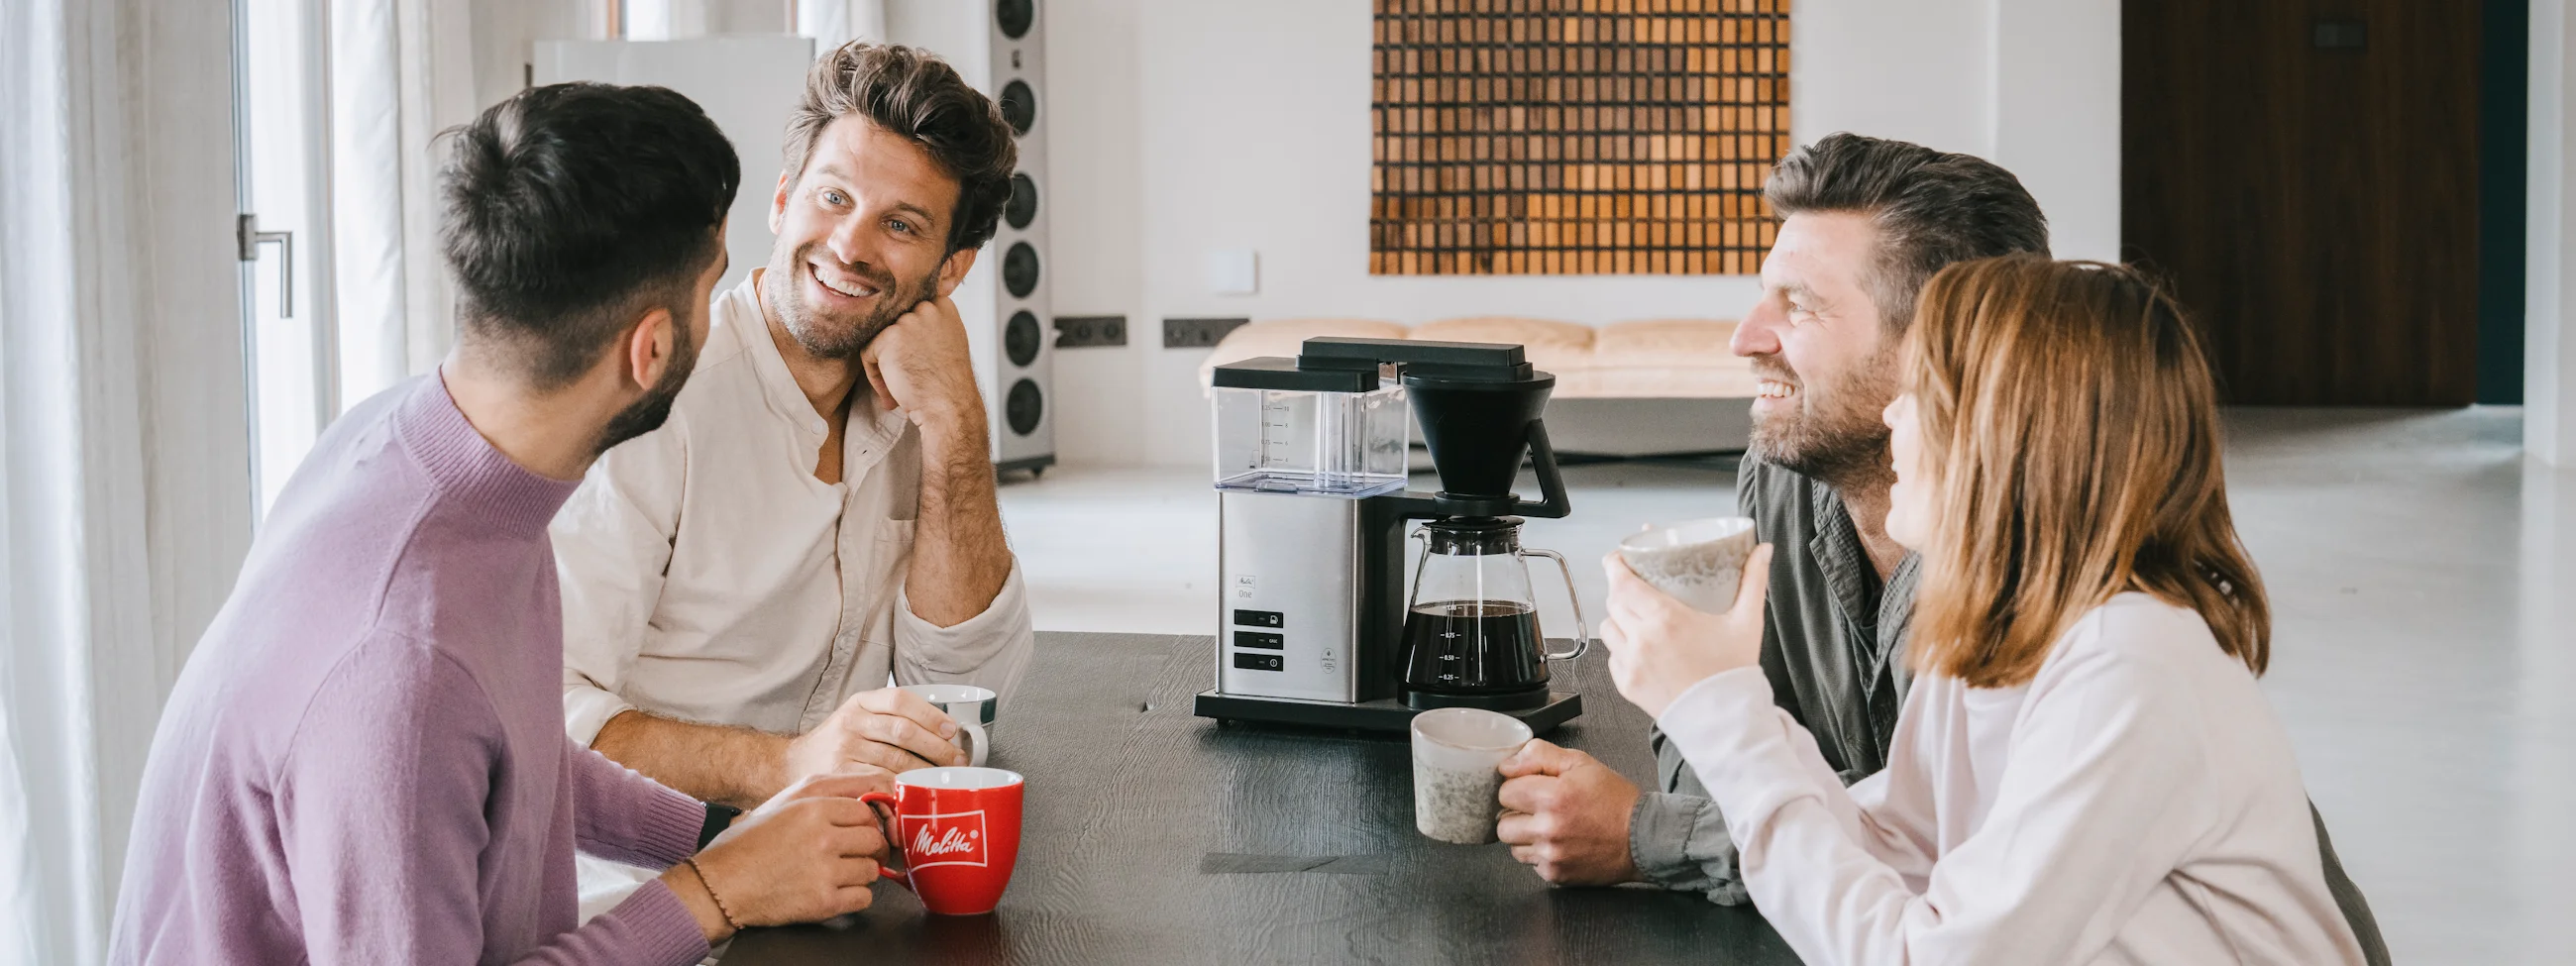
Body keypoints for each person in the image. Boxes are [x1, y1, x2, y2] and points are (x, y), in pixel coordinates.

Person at [1492, 133, 2387, 962]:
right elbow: (1886, 839)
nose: (1896, 417)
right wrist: (1709, 698)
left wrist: (1717, 706)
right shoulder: (1994, 618)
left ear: (2011, 418)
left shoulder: (2126, 664)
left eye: (1927, 390)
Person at [108, 83, 898, 965]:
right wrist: (714, 892)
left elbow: (518, 764)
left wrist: (724, 833)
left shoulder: (425, 445)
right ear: (650, 349)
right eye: (712, 286)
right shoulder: (402, 665)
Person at [550, 43, 1034, 913]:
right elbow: (542, 717)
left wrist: (958, 423)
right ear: (781, 201)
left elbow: (968, 697)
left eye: (901, 223)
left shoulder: (919, 399)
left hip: (829, 882)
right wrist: (786, 764)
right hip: (625, 888)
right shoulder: (656, 399)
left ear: (950, 271)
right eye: (833, 196)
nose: (849, 244)